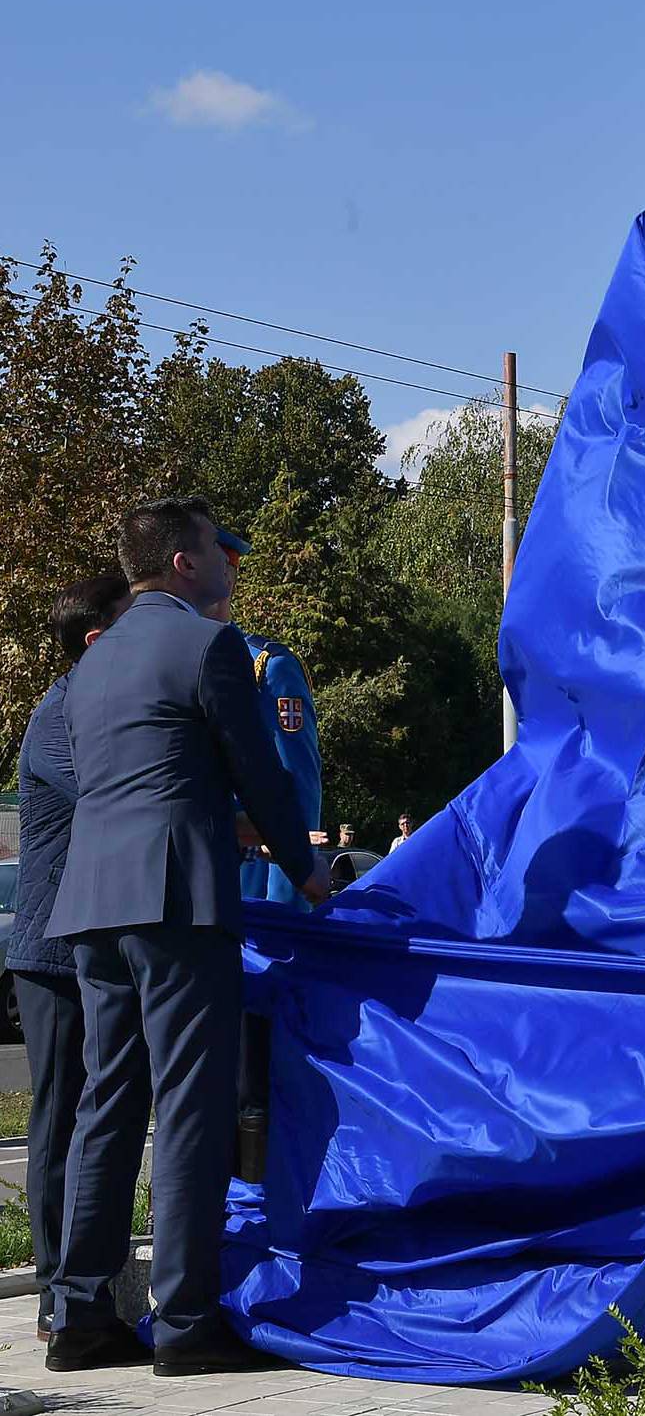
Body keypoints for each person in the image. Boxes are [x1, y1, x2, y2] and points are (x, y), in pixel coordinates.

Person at [44, 496, 328, 1375]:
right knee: (192, 1110)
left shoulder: (89, 668)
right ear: (180, 563)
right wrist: (307, 869)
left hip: (93, 903)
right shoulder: (209, 648)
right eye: (216, 548)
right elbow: (262, 777)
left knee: (108, 1107)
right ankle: (186, 1322)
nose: (227, 564)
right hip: (178, 900)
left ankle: (81, 1315)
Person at [9, 573, 131, 1342]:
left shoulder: (93, 711)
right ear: (96, 641)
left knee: (95, 1115)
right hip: (53, 954)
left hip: (91, 945)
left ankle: (85, 1284)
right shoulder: (59, 717)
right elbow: (117, 793)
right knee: (57, 1123)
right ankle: (57, 1293)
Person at [208, 527, 324, 909]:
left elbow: (296, 794)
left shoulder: (266, 669)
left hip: (249, 897)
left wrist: (285, 913)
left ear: (225, 576)